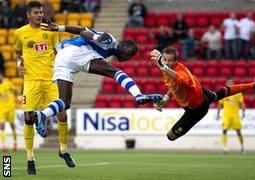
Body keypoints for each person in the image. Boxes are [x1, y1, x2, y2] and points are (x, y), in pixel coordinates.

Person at [31, 20, 162, 137]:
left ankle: (41, 115)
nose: (127, 58)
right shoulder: (110, 41)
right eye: (128, 53)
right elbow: (83, 32)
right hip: (75, 52)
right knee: (116, 73)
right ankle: (138, 95)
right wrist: (96, 37)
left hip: (61, 58)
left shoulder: (109, 49)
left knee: (64, 102)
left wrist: (59, 28)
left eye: (130, 56)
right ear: (122, 46)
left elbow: (80, 29)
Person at [149, 46, 255, 141]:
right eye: (165, 60)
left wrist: (163, 67)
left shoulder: (179, 73)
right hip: (200, 92)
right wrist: (166, 98)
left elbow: (179, 80)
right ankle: (254, 84)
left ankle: (253, 85)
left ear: (176, 61)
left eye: (170, 60)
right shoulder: (164, 66)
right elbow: (174, 85)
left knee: (170, 136)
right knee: (221, 93)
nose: (167, 62)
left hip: (197, 109)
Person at [13, 1, 75, 175]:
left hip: (50, 80)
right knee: (28, 118)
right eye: (36, 13)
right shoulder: (20, 33)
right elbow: (18, 53)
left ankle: (63, 150)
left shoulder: (50, 30)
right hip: (31, 82)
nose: (40, 15)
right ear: (28, 15)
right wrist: (19, 63)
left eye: (41, 12)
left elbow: (58, 53)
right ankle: (30, 158)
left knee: (62, 113)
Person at [216, 78, 245, 154]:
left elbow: (241, 103)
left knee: (238, 132)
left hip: (235, 115)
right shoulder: (224, 93)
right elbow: (220, 104)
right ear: (226, 84)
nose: (230, 84)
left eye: (231, 83)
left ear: (233, 83)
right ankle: (224, 148)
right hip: (226, 116)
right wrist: (218, 113)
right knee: (224, 130)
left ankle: (242, 147)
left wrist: (243, 111)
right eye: (228, 83)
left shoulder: (238, 93)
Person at [0, 72, 18, 152]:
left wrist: (16, 97)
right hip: (2, 109)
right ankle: (4, 145)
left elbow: (15, 91)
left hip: (11, 108)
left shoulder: (8, 83)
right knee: (2, 125)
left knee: (12, 125)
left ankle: (15, 143)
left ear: (2, 76)